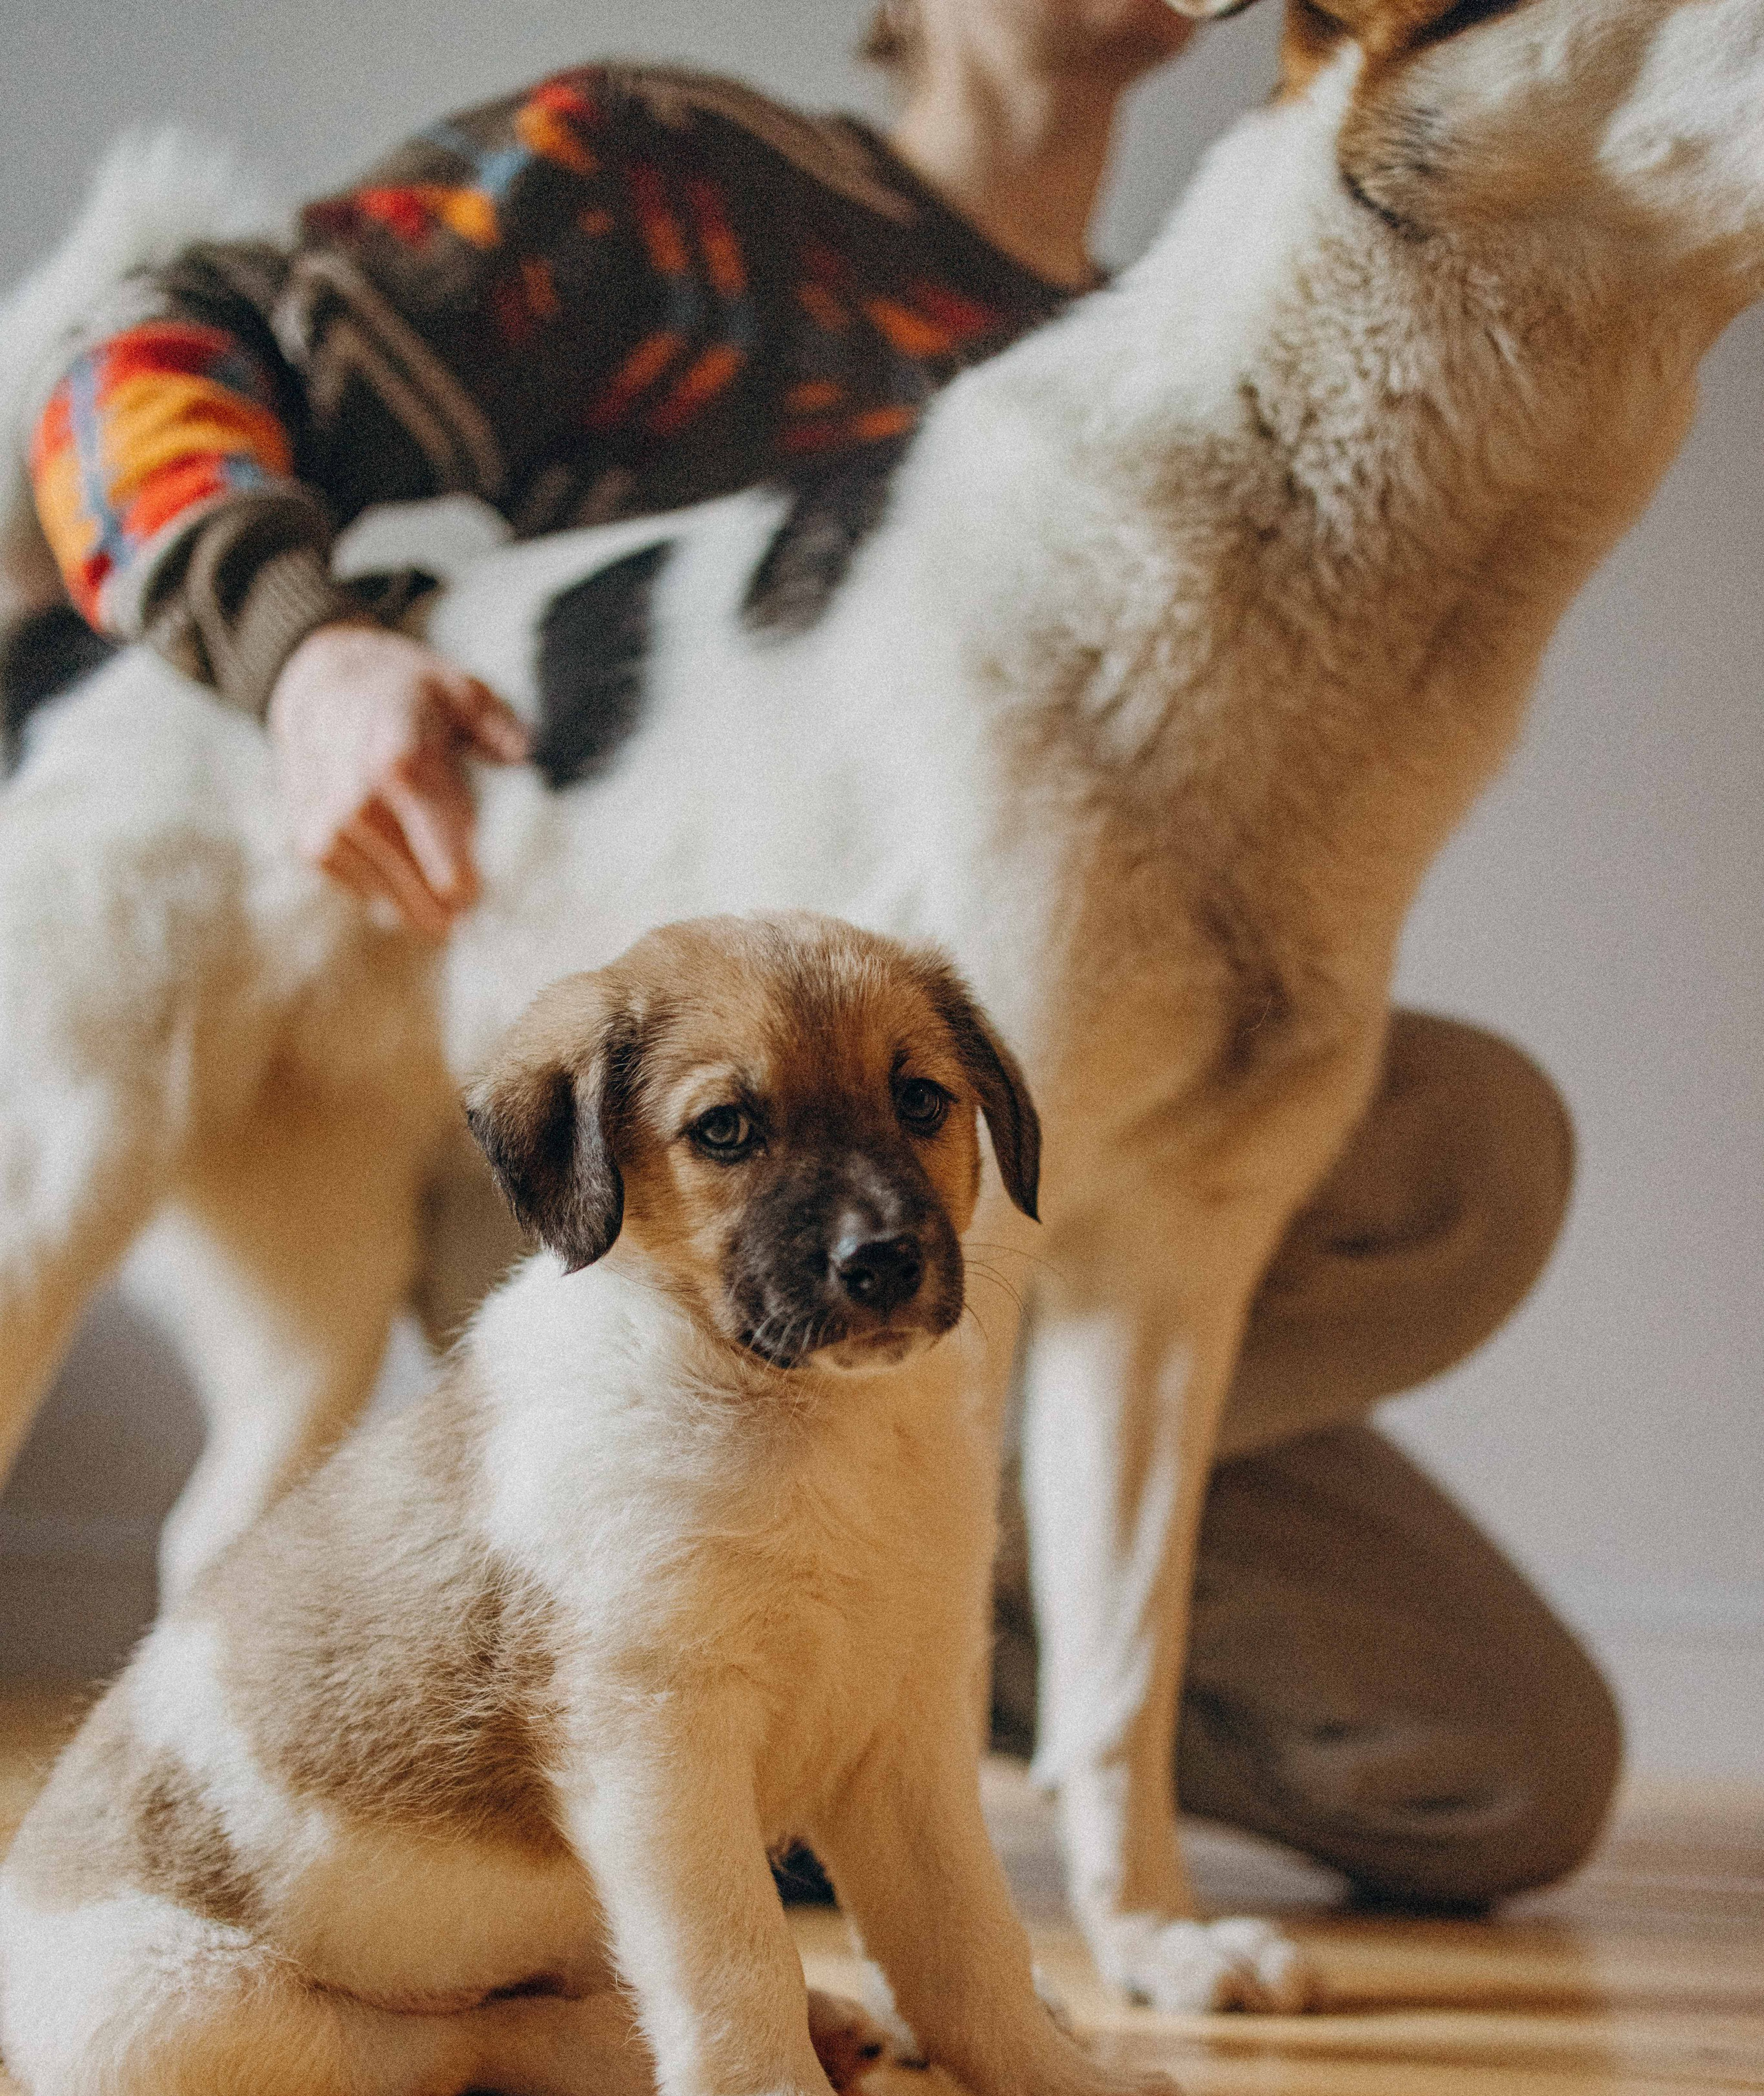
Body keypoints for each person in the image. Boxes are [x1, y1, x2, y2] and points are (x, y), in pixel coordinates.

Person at [12, 0, 1619, 1907]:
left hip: (925, 1221)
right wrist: (305, 650)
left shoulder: (1164, 357)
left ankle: (784, 1679)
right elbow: (143, 353)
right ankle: (702, 1678)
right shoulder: (667, 182)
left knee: (1500, 1755)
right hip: (618, 1152)